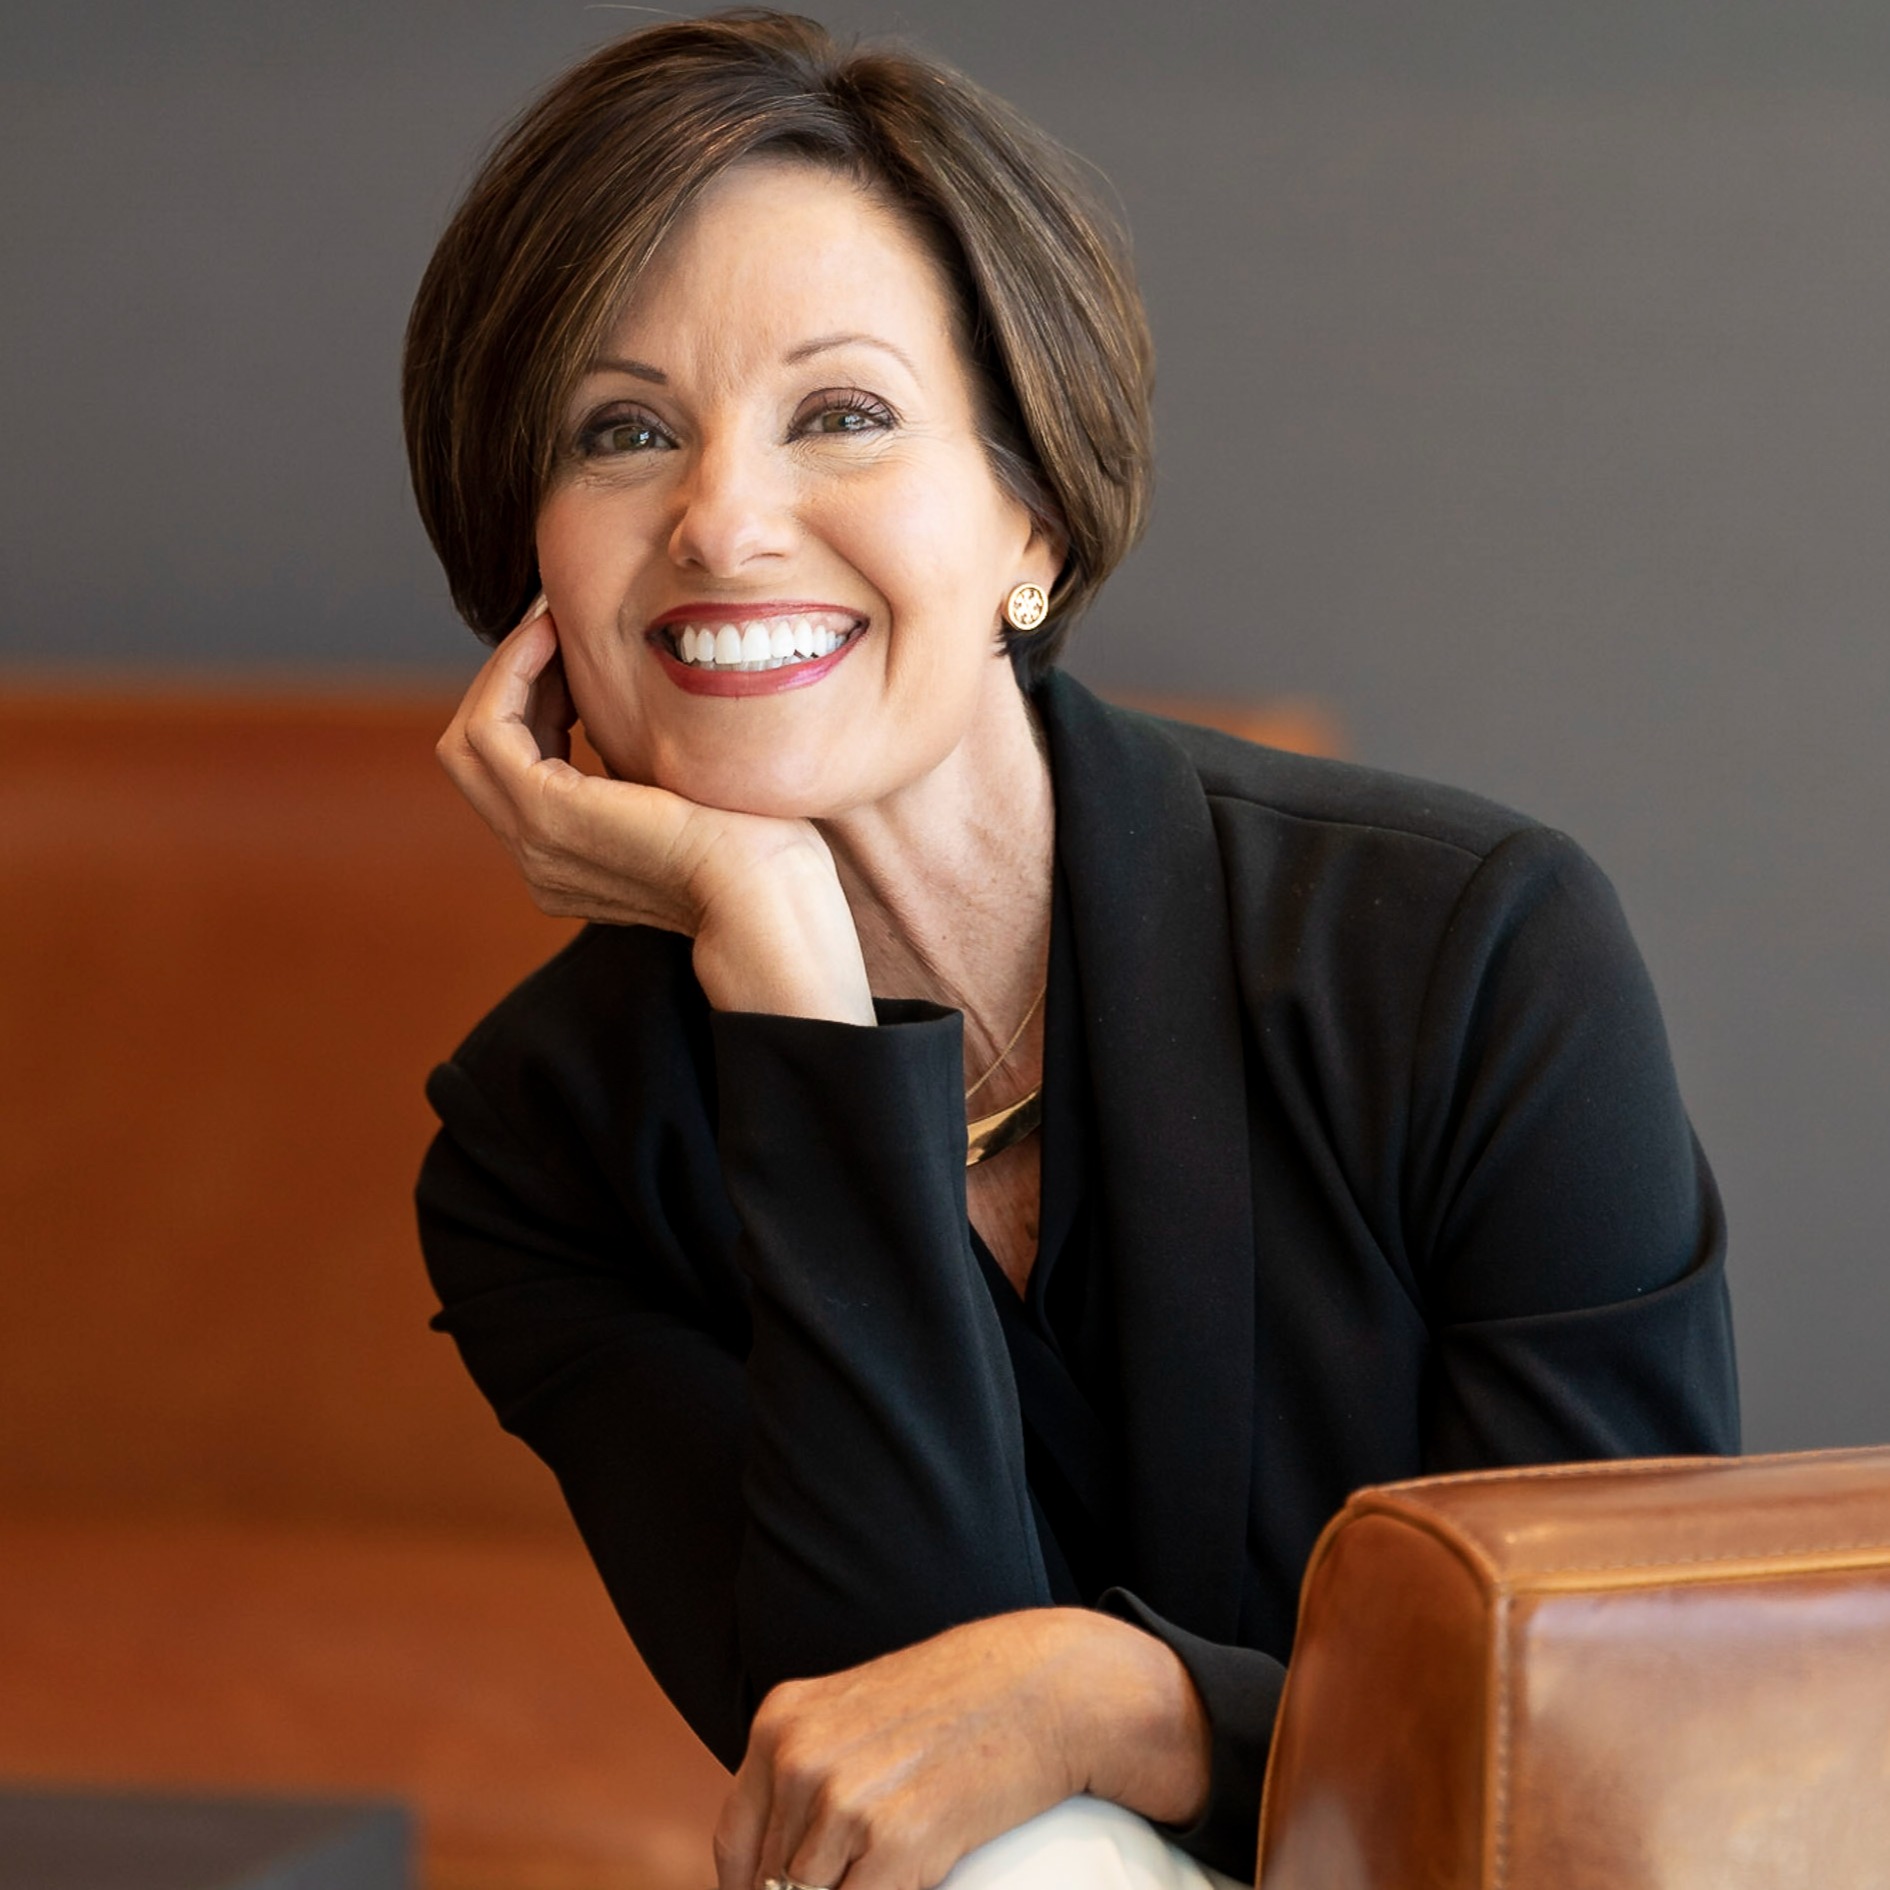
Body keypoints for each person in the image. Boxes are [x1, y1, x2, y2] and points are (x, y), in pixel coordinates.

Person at [403, 14, 1739, 1890]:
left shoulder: (1463, 949)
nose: (720, 520)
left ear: (1027, 516)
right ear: (534, 565)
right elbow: (890, 1774)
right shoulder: (548, 1155)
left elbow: (1628, 1735)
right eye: (623, 432)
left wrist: (1124, 1699)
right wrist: (788, 964)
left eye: (840, 415)